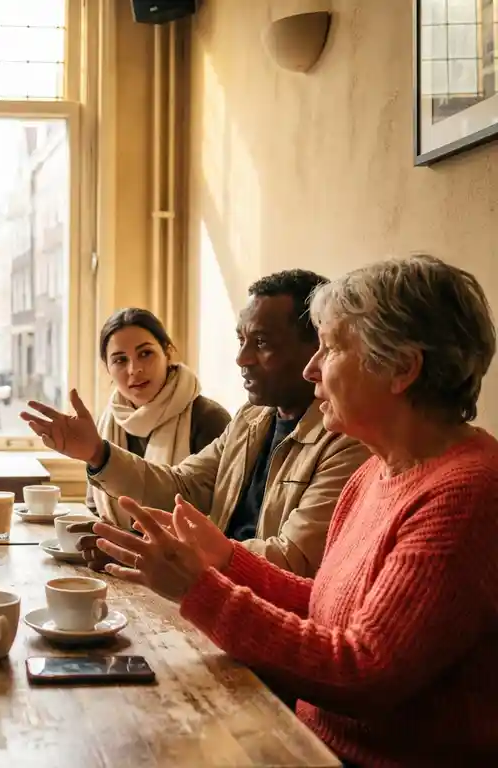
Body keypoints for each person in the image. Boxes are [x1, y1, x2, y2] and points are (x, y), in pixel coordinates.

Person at [91, 254, 498, 767]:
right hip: (304, 740)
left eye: (329, 349)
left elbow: (363, 670)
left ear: (402, 368)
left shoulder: (467, 495)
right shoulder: (374, 472)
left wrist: (201, 590)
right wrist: (229, 563)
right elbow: (327, 606)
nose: (311, 368)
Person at [22, 270, 369, 576]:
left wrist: (168, 555)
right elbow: (182, 488)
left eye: (261, 342)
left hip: (252, 609)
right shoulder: (251, 418)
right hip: (211, 591)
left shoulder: (346, 439)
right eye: (241, 340)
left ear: (317, 347)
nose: (241, 358)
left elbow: (293, 561)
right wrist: (97, 453)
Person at [84, 308, 230, 526]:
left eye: (145, 354)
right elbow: (95, 506)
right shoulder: (107, 421)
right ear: (107, 368)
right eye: (120, 360)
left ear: (167, 353)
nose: (135, 369)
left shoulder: (209, 419)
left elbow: (223, 515)